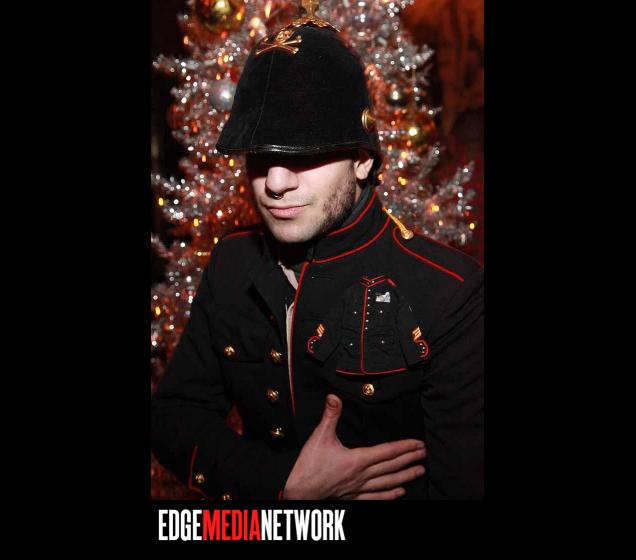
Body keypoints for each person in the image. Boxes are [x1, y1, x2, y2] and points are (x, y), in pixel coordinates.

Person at [151, 1, 483, 500]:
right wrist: (283, 486)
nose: (275, 183)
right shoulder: (231, 262)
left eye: (305, 154)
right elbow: (174, 416)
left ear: (363, 161)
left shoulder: (448, 291)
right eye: (260, 155)